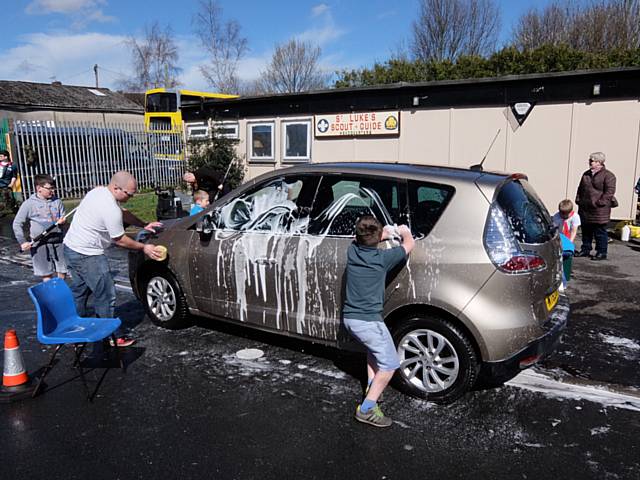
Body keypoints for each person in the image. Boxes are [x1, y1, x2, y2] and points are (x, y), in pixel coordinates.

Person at [63, 171, 163, 347]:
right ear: (117, 188)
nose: (131, 197)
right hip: (88, 255)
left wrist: (143, 224)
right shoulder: (109, 208)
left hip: (71, 248)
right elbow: (120, 240)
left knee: (80, 291)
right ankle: (110, 336)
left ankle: (75, 331)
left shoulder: (99, 191)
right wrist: (145, 247)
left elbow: (123, 212)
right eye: (129, 194)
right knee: (106, 295)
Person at [342, 216, 415, 428]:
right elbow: (409, 244)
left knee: (374, 351)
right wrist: (402, 230)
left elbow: (368, 237)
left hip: (351, 319)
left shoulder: (352, 250)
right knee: (390, 364)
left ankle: (372, 388)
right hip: (369, 321)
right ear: (378, 238)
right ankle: (366, 409)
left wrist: (384, 232)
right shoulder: (383, 258)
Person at [12, 174, 67, 282]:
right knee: (46, 273)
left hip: (58, 241)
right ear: (39, 188)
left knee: (63, 270)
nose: (52, 191)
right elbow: (17, 223)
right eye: (49, 188)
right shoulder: (29, 204)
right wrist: (22, 241)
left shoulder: (57, 202)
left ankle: (60, 292)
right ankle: (51, 295)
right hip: (39, 243)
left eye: (53, 188)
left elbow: (63, 220)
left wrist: (62, 222)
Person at [575, 152, 616, 260]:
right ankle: (585, 249)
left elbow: (609, 192)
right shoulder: (586, 174)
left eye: (592, 160)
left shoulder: (608, 175)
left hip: (599, 209)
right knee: (586, 230)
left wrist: (599, 202)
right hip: (585, 208)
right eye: (590, 160)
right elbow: (580, 188)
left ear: (599, 162)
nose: (590, 162)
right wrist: (578, 199)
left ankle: (601, 252)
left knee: (600, 232)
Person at [552, 199, 581, 290]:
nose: (563, 216)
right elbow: (555, 230)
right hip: (560, 239)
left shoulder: (575, 217)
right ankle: (564, 276)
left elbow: (573, 231)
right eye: (561, 214)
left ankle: (562, 282)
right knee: (561, 261)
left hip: (567, 240)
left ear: (570, 212)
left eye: (565, 215)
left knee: (560, 263)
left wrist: (569, 242)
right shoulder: (556, 217)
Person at [0, 149, 18, 215]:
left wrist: (12, 183)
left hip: (6, 185)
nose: (0, 157)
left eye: (1, 156)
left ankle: (9, 212)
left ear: (6, 157)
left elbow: (14, 176)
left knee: (8, 200)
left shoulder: (12, 165)